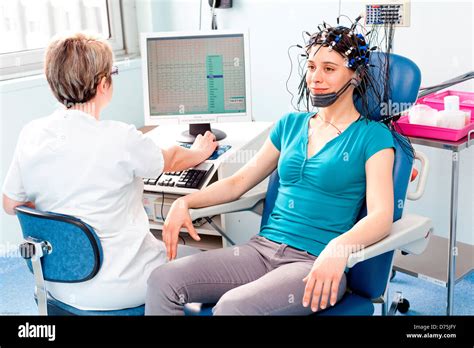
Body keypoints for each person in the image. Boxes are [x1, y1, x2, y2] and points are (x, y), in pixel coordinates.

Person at [145, 23, 405, 315]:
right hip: (260, 250)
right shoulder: (290, 125)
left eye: (329, 69)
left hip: (312, 263)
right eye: (311, 66)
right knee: (162, 280)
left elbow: (382, 216)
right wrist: (185, 201)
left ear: (355, 76)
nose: (315, 78)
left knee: (232, 308)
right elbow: (238, 182)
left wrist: (338, 249)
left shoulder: (372, 136)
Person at [2, 33, 217, 311]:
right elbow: (171, 159)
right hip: (127, 289)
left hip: (58, 286)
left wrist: (60, 210)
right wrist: (200, 152)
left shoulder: (31, 134)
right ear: (104, 83)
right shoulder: (120, 137)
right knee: (206, 260)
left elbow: (11, 204)